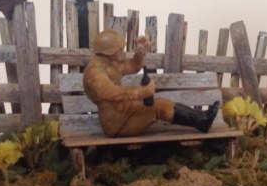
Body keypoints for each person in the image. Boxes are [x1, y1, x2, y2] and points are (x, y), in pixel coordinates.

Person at [83, 30, 219, 137]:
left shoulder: (109, 64)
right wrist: (141, 92)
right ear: (109, 51)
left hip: (126, 113)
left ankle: (201, 118)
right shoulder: (94, 74)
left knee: (160, 103)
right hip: (118, 125)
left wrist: (140, 54)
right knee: (158, 108)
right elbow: (113, 93)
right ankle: (201, 121)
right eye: (120, 49)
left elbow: (131, 66)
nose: (122, 52)